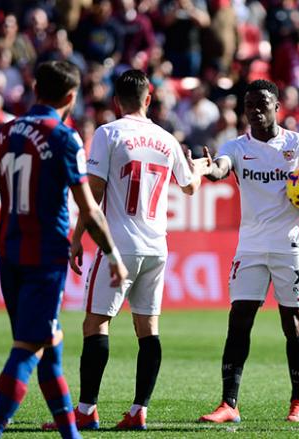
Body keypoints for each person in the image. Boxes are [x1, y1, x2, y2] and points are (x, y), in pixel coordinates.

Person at [43, 69, 209, 431]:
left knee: (96, 323)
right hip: (157, 247)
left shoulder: (108, 133)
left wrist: (76, 239)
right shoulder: (166, 139)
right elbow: (191, 186)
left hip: (119, 245)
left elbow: (96, 192)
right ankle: (139, 410)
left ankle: (86, 411)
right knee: (148, 328)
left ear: (117, 102)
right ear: (149, 99)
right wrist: (201, 167)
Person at [0, 60, 128, 439]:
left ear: (35, 88)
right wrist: (114, 256)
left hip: (8, 256)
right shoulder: (64, 137)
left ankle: (70, 435)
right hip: (45, 258)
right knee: (29, 348)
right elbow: (90, 207)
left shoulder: (3, 133)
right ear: (71, 97)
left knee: (49, 344)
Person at [198, 79, 299, 423]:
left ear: (277, 107)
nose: (255, 111)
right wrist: (211, 171)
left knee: (291, 323)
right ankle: (229, 404)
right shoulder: (235, 146)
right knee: (239, 321)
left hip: (289, 245)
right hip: (250, 247)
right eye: (249, 105)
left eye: (262, 104)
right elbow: (221, 165)